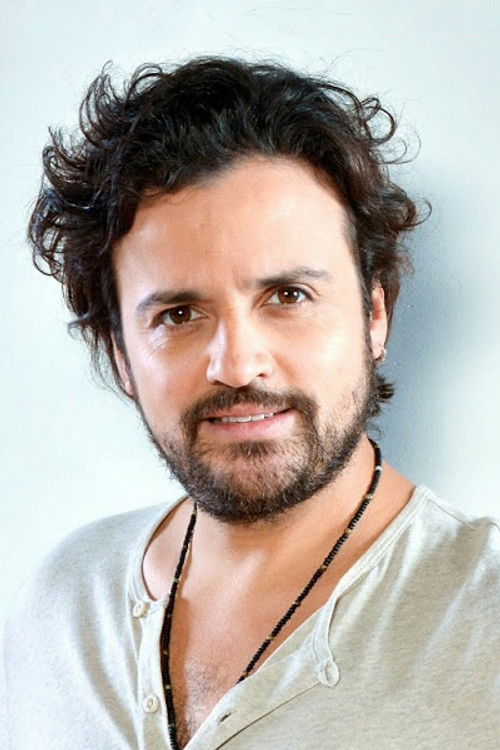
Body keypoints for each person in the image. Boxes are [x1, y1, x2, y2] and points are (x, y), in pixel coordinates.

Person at [2, 56, 499, 750]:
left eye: (288, 296)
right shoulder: (62, 602)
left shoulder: (484, 619)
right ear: (119, 354)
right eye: (179, 314)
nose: (237, 364)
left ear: (374, 316)